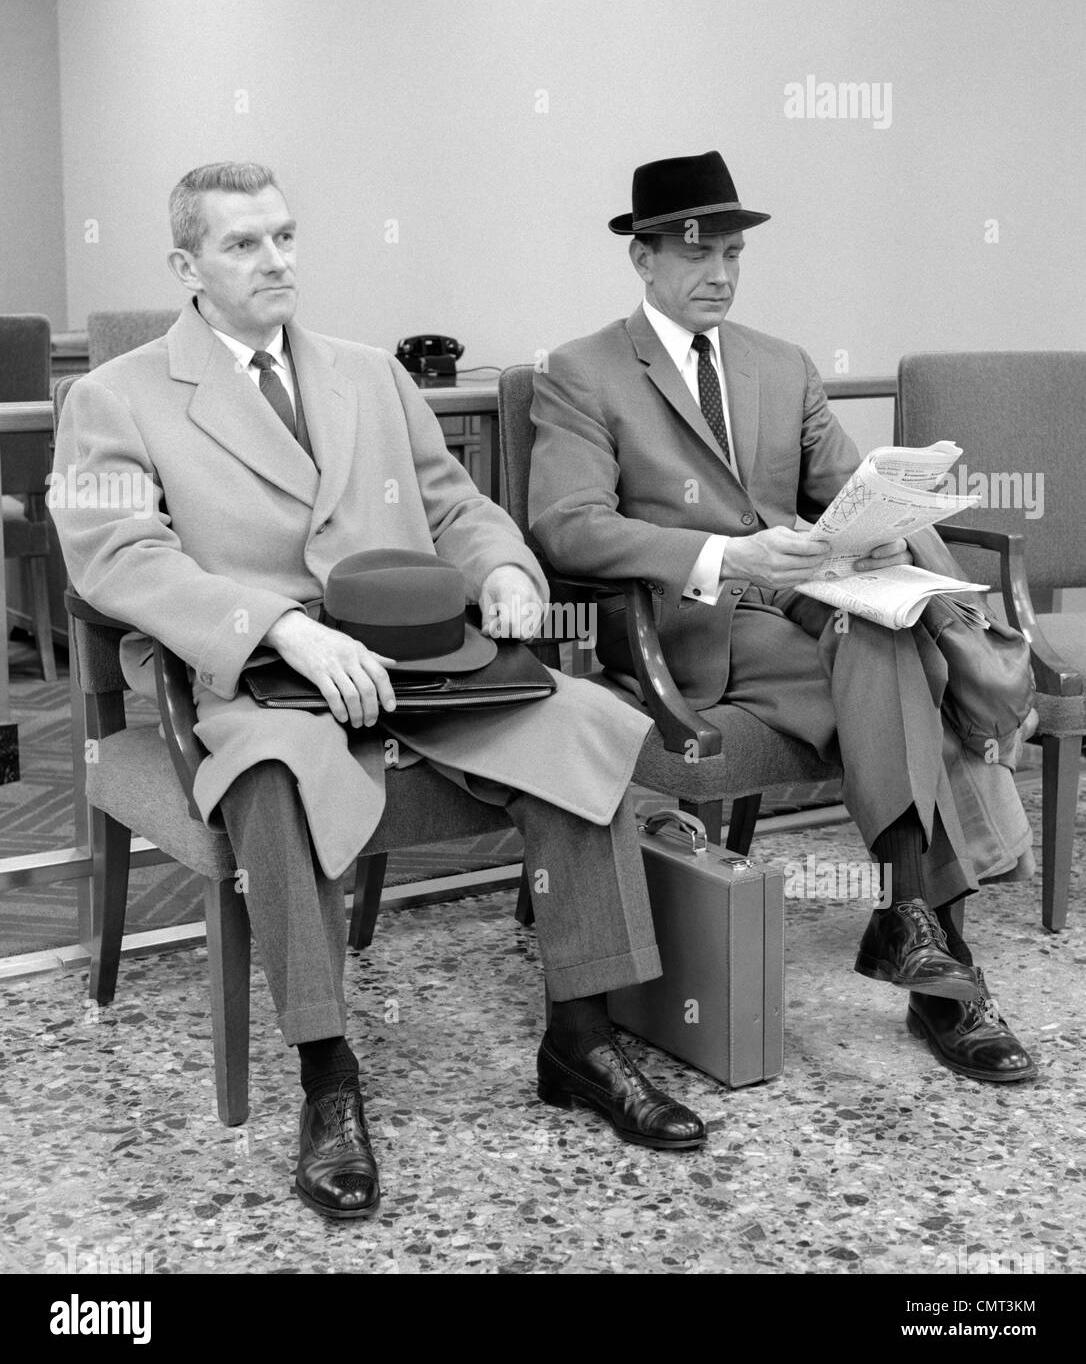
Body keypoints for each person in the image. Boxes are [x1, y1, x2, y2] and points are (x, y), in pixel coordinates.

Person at [51, 161, 709, 1224]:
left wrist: (502, 569)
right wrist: (281, 627)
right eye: (243, 244)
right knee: (272, 774)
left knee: (586, 722)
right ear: (186, 266)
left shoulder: (370, 373)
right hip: (256, 674)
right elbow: (116, 559)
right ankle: (328, 1075)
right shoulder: (114, 395)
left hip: (420, 663)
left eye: (285, 235)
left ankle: (581, 1038)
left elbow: (456, 505)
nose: (276, 260)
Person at [529, 150, 1038, 1086]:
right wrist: (726, 556)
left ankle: (914, 931)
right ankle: (941, 975)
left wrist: (883, 531)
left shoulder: (780, 363)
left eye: (732, 254)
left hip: (815, 603)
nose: (719, 273)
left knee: (889, 632)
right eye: (695, 254)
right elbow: (568, 527)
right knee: (910, 671)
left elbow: (846, 486)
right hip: (696, 626)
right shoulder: (582, 371)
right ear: (642, 258)